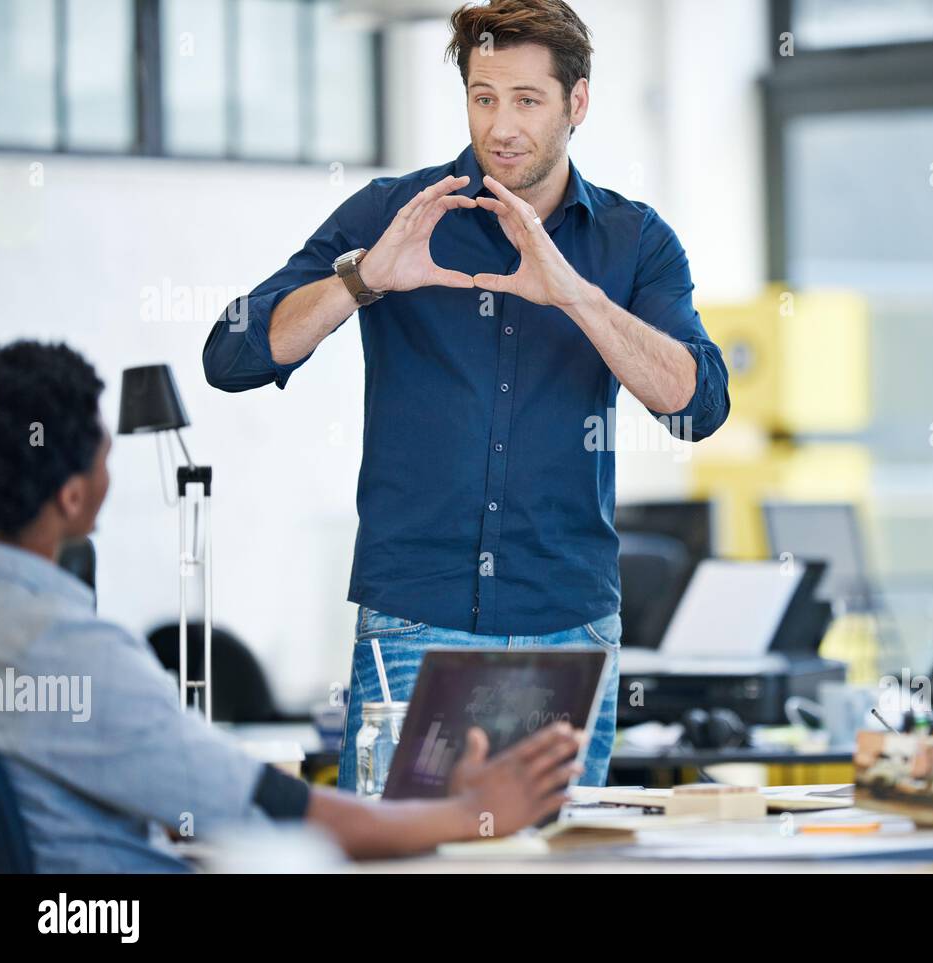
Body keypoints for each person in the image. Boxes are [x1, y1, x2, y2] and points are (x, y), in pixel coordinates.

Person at [200, 0, 730, 791]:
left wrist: (576, 295)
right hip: (413, 619)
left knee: (553, 855)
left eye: (527, 100)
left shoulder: (634, 241)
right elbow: (232, 353)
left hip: (569, 626)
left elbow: (697, 406)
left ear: (575, 103)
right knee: (395, 855)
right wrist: (364, 277)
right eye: (484, 97)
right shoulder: (391, 215)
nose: (502, 125)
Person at [0, 340, 583, 873]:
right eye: (105, 455)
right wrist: (474, 811)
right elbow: (285, 814)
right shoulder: (67, 650)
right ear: (71, 497)